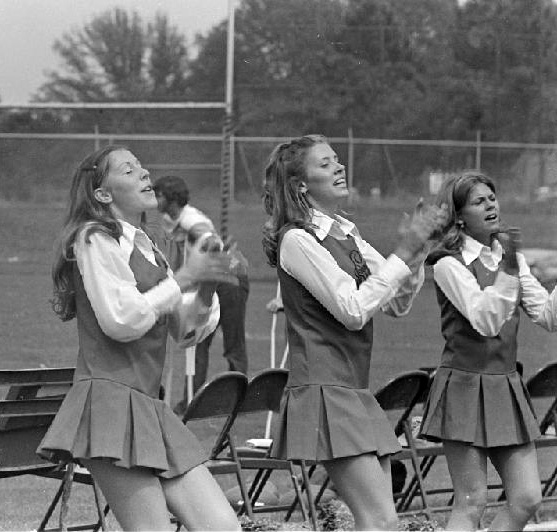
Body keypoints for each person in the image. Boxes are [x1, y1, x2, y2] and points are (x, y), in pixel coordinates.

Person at [37, 145, 241, 531]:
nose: (144, 173)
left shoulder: (149, 246)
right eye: (129, 170)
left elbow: (185, 332)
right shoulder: (92, 238)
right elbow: (121, 319)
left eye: (142, 166)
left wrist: (207, 285)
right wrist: (184, 278)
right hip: (110, 405)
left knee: (222, 526)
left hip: (149, 407)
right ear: (103, 193)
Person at [261, 134, 446, 530]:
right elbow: (353, 310)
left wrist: (417, 252)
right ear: (301, 186)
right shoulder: (298, 239)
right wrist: (404, 251)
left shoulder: (347, 233)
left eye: (337, 160)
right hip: (324, 390)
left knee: (379, 521)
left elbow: (395, 301)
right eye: (325, 164)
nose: (339, 167)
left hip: (351, 390)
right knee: (379, 521)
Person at [418, 171, 557, 531]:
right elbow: (486, 320)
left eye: (492, 197)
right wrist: (510, 267)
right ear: (460, 215)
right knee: (471, 502)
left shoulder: (509, 259)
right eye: (479, 201)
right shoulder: (448, 263)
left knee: (527, 498)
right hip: (464, 387)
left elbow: (547, 315)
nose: (491, 204)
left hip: (505, 386)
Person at [152, 175, 249, 412]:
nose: (156, 199)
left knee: (232, 342)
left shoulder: (190, 220)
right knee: (198, 341)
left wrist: (211, 246)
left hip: (228, 279)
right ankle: (192, 400)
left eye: (160, 195)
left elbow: (207, 236)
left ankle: (239, 398)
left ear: (171, 197)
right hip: (208, 280)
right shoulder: (170, 220)